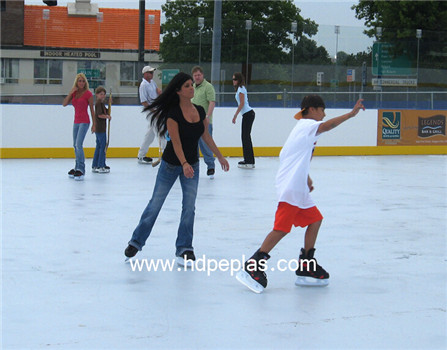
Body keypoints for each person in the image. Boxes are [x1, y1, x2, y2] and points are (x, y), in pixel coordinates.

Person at [236, 95, 365, 293]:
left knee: (315, 220)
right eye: (322, 110)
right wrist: (351, 114)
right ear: (312, 109)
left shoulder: (303, 130)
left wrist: (306, 177)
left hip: (299, 187)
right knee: (281, 228)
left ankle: (306, 264)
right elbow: (328, 126)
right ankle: (254, 264)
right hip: (290, 188)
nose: (324, 114)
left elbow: (291, 156)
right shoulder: (306, 125)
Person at [124, 72, 230, 266]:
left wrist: (220, 156)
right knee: (155, 204)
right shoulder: (173, 113)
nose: (192, 88)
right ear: (179, 91)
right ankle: (136, 242)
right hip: (171, 165)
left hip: (193, 166)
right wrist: (184, 164)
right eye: (188, 86)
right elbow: (177, 143)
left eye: (192, 85)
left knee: (189, 208)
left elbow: (205, 137)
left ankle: (185, 248)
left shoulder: (199, 110)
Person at [62, 73, 94, 181]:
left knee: (78, 144)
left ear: (85, 83)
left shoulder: (88, 94)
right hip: (76, 121)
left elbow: (92, 110)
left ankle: (81, 168)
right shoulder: (74, 93)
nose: (81, 83)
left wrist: (94, 124)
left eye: (83, 81)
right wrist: (71, 92)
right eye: (79, 81)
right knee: (75, 145)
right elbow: (64, 103)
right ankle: (76, 167)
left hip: (84, 121)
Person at [191, 66, 216, 179]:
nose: (197, 77)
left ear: (203, 75)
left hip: (205, 122)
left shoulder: (208, 87)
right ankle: (193, 166)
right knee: (192, 146)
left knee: (205, 144)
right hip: (192, 122)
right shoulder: (192, 87)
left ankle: (210, 166)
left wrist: (207, 116)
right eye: (195, 75)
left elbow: (211, 102)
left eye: (199, 75)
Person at [137, 65, 163, 164]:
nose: (152, 74)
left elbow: (157, 93)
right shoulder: (143, 85)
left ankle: (141, 155)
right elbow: (144, 102)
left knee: (150, 134)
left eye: (152, 72)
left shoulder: (152, 82)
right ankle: (164, 153)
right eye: (150, 72)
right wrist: (154, 111)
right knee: (160, 131)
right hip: (151, 111)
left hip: (156, 109)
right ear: (145, 74)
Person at [232, 72, 255, 169]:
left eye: (235, 79)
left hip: (248, 114)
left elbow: (241, 104)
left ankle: (249, 161)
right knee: (245, 137)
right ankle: (249, 160)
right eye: (233, 79)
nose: (233, 81)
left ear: (238, 80)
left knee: (245, 137)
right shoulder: (241, 89)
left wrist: (235, 115)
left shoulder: (241, 89)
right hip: (247, 114)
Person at [92, 86, 112, 173]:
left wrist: (109, 105)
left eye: (104, 94)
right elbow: (100, 115)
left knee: (99, 146)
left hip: (100, 128)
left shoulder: (101, 104)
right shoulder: (98, 104)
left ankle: (95, 165)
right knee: (102, 146)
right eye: (101, 94)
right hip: (100, 129)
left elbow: (106, 112)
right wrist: (107, 117)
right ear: (97, 95)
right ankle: (101, 165)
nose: (103, 96)